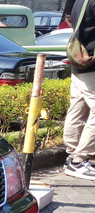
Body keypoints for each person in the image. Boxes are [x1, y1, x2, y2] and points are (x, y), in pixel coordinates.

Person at [63, 0, 95, 179]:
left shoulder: (80, 2)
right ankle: (79, 160)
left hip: (79, 62)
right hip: (91, 65)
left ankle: (72, 156)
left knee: (77, 108)